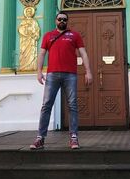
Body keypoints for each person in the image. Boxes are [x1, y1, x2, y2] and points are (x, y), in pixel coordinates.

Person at [30, 11, 92, 150]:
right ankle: (40, 138)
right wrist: (39, 72)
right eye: (59, 19)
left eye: (64, 19)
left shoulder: (74, 35)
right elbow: (42, 54)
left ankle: (74, 138)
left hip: (70, 75)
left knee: (72, 105)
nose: (62, 21)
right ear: (55, 21)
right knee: (46, 105)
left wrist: (88, 71)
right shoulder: (48, 36)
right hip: (52, 75)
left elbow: (83, 53)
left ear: (67, 21)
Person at [18, 7, 40, 72]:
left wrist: (34, 34)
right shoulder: (23, 22)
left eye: (30, 12)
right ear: (26, 13)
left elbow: (37, 30)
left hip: (31, 40)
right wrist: (25, 29)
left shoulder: (34, 22)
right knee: (24, 53)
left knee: (32, 53)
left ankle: (31, 65)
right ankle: (24, 66)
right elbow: (20, 29)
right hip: (25, 40)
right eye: (28, 12)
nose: (29, 13)